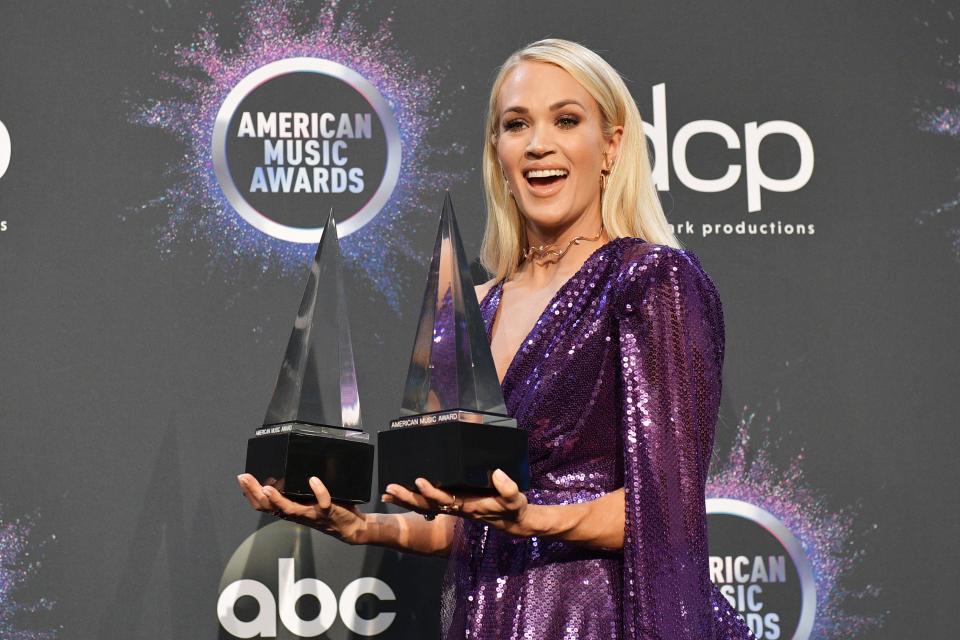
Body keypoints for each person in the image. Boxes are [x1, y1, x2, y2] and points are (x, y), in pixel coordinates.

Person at [238, 38, 756, 640]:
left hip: (606, 617)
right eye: (517, 124)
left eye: (567, 120)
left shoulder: (650, 280)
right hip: (496, 612)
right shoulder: (478, 307)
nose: (540, 143)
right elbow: (470, 520)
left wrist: (532, 517)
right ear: (498, 151)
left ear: (612, 145)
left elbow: (668, 511)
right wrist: (359, 527)